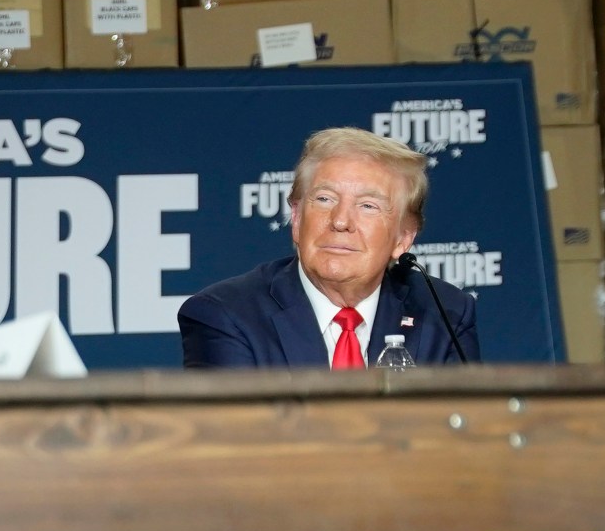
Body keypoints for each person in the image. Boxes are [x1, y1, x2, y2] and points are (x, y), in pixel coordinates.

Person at [178, 127, 479, 369]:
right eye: (325, 199)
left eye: (368, 206)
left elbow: (468, 434)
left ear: (403, 238)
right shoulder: (226, 315)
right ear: (296, 218)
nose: (341, 221)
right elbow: (235, 441)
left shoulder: (445, 313)